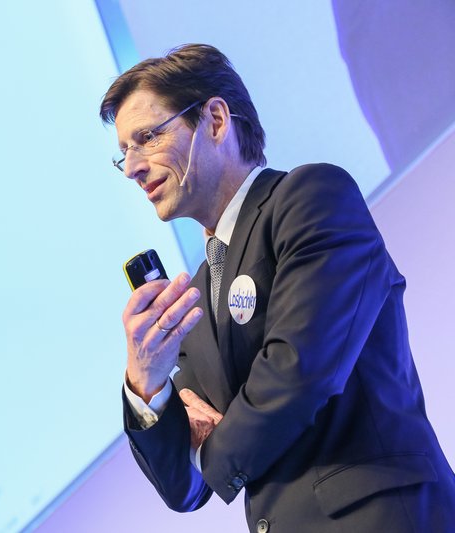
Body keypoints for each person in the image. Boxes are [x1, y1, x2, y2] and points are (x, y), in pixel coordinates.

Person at [100, 44, 455, 532]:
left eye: (147, 137)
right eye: (124, 152)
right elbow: (185, 487)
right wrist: (148, 386)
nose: (132, 167)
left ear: (216, 121)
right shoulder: (196, 297)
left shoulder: (312, 198)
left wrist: (208, 449)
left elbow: (298, 371)